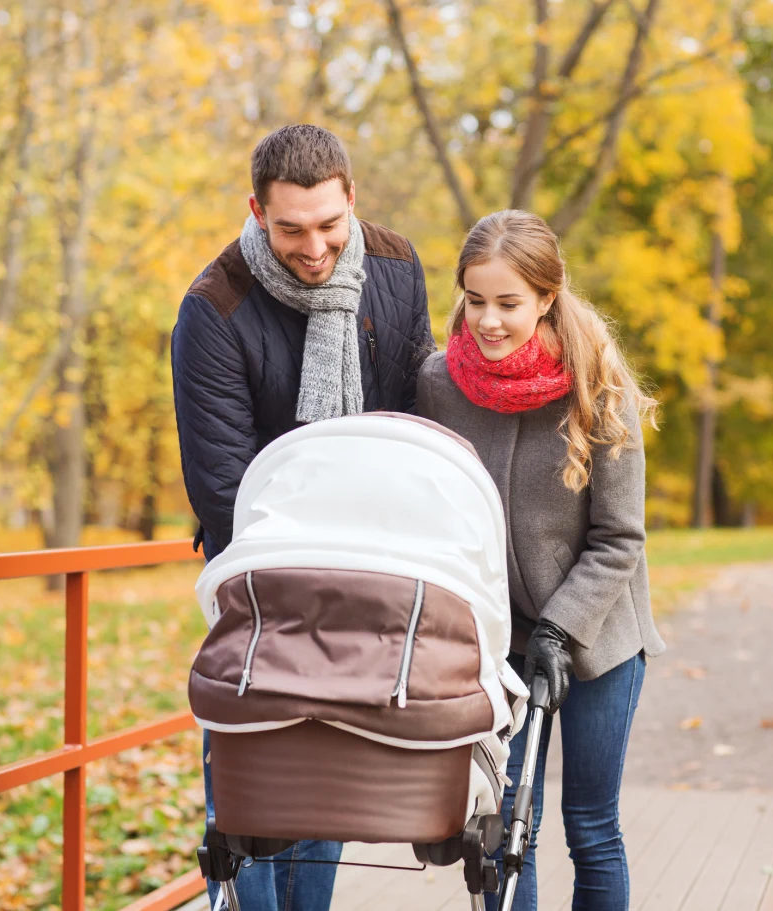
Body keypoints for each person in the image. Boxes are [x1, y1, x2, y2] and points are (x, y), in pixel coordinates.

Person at [171, 124, 435, 911]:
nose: (314, 246)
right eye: (289, 229)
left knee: (328, 773)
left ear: (351, 197)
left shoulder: (395, 264)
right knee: (254, 783)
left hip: (365, 567)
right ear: (256, 211)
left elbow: (410, 416)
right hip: (257, 575)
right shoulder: (212, 309)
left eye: (328, 223)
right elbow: (223, 486)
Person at [416, 209, 665, 911]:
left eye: (508, 303)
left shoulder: (598, 386)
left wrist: (560, 628)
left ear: (547, 298)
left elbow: (621, 537)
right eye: (475, 300)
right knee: (498, 831)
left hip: (600, 639)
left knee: (590, 827)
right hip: (497, 645)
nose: (488, 321)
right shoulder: (438, 384)